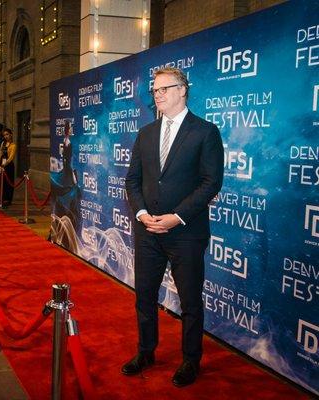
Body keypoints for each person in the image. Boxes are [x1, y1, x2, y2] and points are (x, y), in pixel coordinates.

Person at [123, 67, 224, 387]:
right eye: (155, 90)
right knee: (144, 297)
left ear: (183, 90)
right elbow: (133, 180)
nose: (158, 95)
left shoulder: (205, 132)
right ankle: (146, 351)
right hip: (147, 231)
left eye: (165, 89)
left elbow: (211, 182)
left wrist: (177, 216)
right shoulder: (146, 133)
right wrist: (140, 213)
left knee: (191, 301)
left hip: (186, 233)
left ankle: (191, 359)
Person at [0, 128, 16, 207]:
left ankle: (8, 199)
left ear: (11, 134)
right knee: (3, 182)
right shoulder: (3, 143)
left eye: (7, 134)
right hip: (2, 165)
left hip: (9, 166)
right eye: (4, 135)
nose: (6, 136)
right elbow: (0, 154)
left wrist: (4, 165)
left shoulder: (13, 145)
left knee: (9, 182)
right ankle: (2, 198)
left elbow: (11, 157)